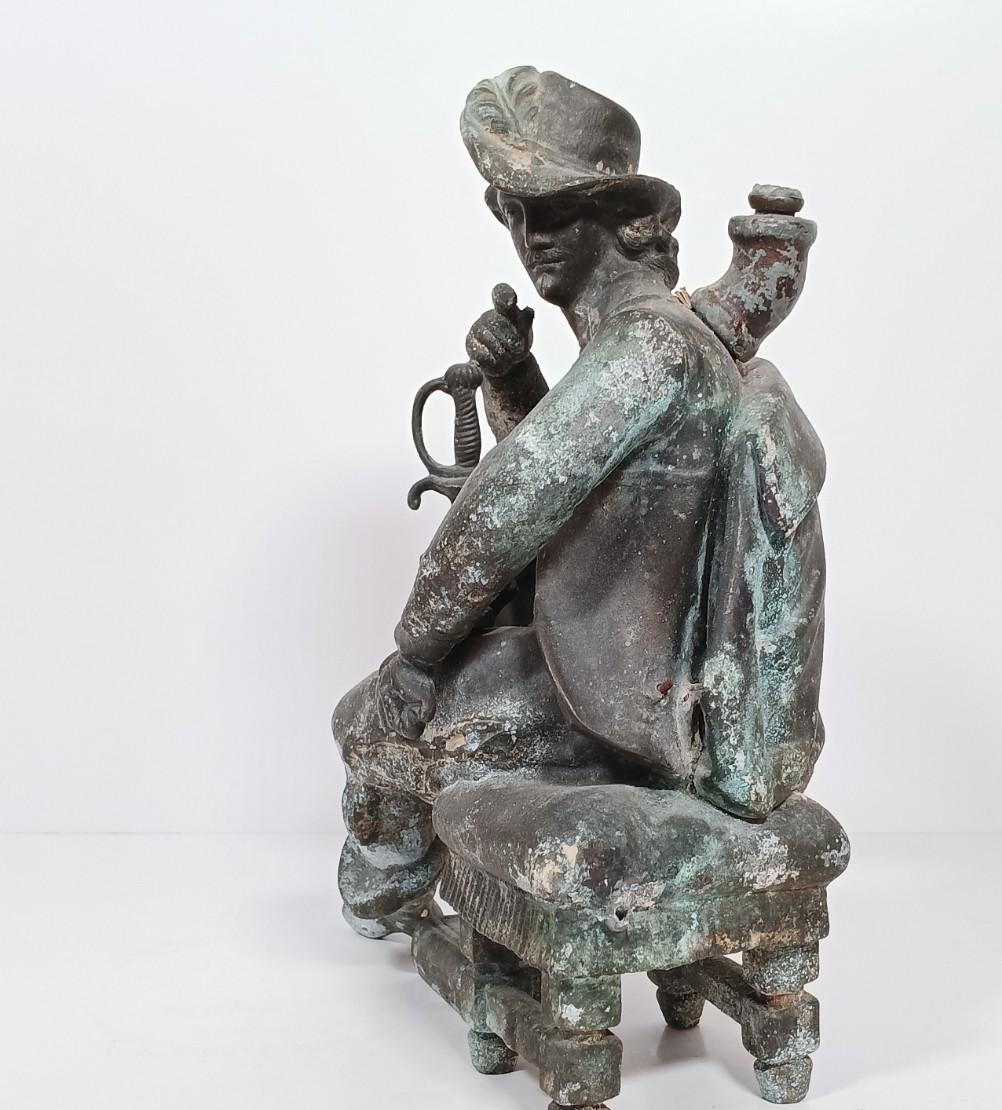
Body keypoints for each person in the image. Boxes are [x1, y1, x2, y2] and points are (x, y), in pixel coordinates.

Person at [332, 67, 823, 934]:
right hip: (612, 669)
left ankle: (391, 892)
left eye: (553, 211)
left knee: (371, 722)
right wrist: (515, 378)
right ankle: (413, 886)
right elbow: (598, 491)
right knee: (407, 700)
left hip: (623, 704)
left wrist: (415, 656)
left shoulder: (648, 347)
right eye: (513, 212)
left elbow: (506, 512)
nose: (529, 238)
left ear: (618, 218)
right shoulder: (655, 341)